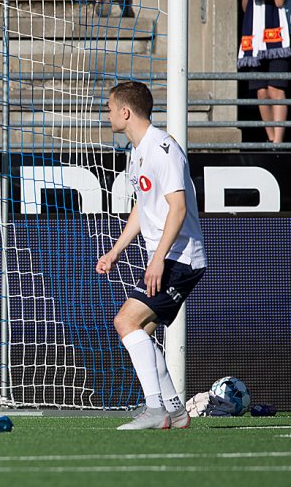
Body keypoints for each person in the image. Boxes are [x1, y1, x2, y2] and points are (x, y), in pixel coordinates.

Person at [95, 81, 204, 430]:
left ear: (125, 112)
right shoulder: (137, 152)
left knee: (124, 321)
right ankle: (175, 411)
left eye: (110, 108)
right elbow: (143, 210)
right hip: (168, 257)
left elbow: (177, 207)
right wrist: (114, 252)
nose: (108, 114)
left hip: (181, 258)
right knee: (139, 329)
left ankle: (156, 409)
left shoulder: (163, 148)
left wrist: (157, 259)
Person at [237, 0, 290, 144]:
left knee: (276, 88)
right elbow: (245, 4)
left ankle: (279, 139)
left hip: (278, 36)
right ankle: (270, 139)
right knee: (261, 91)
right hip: (255, 36)